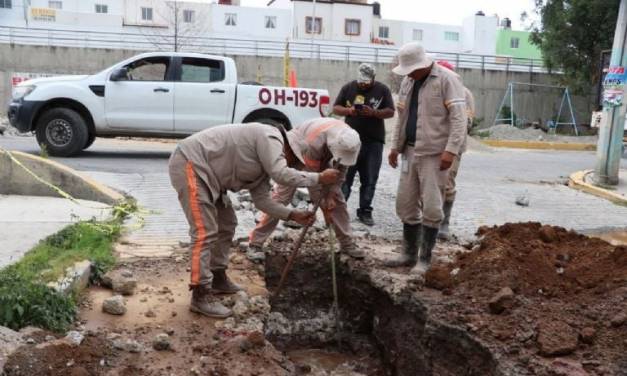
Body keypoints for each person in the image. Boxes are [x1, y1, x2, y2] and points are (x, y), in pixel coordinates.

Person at [169, 123, 340, 318]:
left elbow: (263, 201)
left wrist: (292, 215)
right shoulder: (270, 136)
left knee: (227, 225)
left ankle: (217, 276)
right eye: (293, 162)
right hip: (191, 164)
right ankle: (200, 294)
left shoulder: (262, 169)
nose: (292, 166)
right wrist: (319, 178)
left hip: (210, 178)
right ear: (288, 150)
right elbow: (281, 174)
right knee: (204, 231)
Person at [385, 43, 467, 272]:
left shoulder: (447, 79)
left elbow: (459, 119)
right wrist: (394, 147)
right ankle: (408, 253)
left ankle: (425, 259)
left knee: (431, 206)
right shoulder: (408, 81)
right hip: (409, 151)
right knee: (405, 203)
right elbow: (401, 117)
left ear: (423, 63)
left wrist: (450, 150)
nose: (409, 73)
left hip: (434, 154)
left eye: (412, 69)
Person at [248, 118, 365, 258]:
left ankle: (347, 244)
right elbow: (313, 182)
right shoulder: (314, 142)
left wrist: (331, 195)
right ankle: (255, 243)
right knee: (280, 199)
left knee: (337, 200)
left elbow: (341, 171)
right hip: (297, 153)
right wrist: (324, 207)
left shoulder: (350, 139)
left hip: (320, 156)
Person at [333, 63, 395, 226]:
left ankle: (365, 211)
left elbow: (390, 111)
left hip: (373, 141)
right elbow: (336, 108)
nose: (362, 84)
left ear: (373, 78)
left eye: (366, 82)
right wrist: (349, 111)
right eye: (361, 81)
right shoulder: (348, 88)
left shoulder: (382, 90)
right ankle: (340, 210)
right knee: (345, 177)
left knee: (369, 178)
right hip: (350, 141)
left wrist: (374, 113)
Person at [435, 60, 476, 240]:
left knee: (447, 182)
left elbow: (466, 122)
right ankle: (430, 220)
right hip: (433, 143)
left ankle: (444, 223)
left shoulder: (464, 93)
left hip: (453, 145)